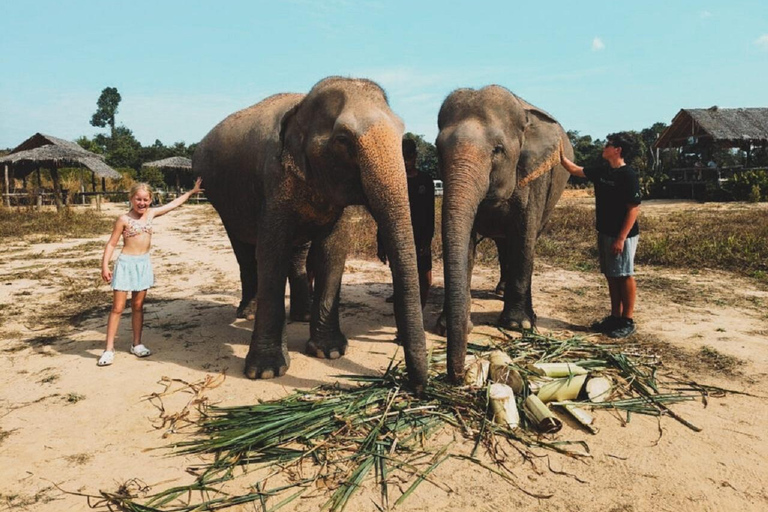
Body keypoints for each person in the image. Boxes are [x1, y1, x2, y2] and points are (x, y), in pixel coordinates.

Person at [98, 177, 204, 366]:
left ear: (151, 200)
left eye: (145, 199)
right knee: (118, 308)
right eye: (138, 199)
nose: (142, 203)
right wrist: (105, 265)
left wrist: (191, 191)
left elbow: (173, 204)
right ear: (131, 199)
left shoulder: (152, 214)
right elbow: (112, 243)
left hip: (143, 264)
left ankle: (137, 344)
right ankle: (108, 349)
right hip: (125, 265)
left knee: (138, 306)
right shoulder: (123, 219)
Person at [559, 134, 641, 338]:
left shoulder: (628, 175)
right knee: (611, 275)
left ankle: (627, 320)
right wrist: (559, 152)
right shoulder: (603, 171)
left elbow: (633, 209)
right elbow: (575, 170)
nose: (604, 147)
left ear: (618, 150)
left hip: (624, 235)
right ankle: (615, 316)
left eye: (608, 145)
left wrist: (621, 238)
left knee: (624, 275)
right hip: (605, 232)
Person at [378, 138, 435, 309]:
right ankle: (403, 309)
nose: (406, 162)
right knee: (400, 276)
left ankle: (419, 311)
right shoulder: (392, 182)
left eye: (409, 157)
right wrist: (380, 244)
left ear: (415, 156)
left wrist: (427, 240)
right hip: (398, 237)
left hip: (420, 237)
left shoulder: (425, 180)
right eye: (402, 157)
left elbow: (430, 213)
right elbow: (383, 215)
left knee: (425, 278)